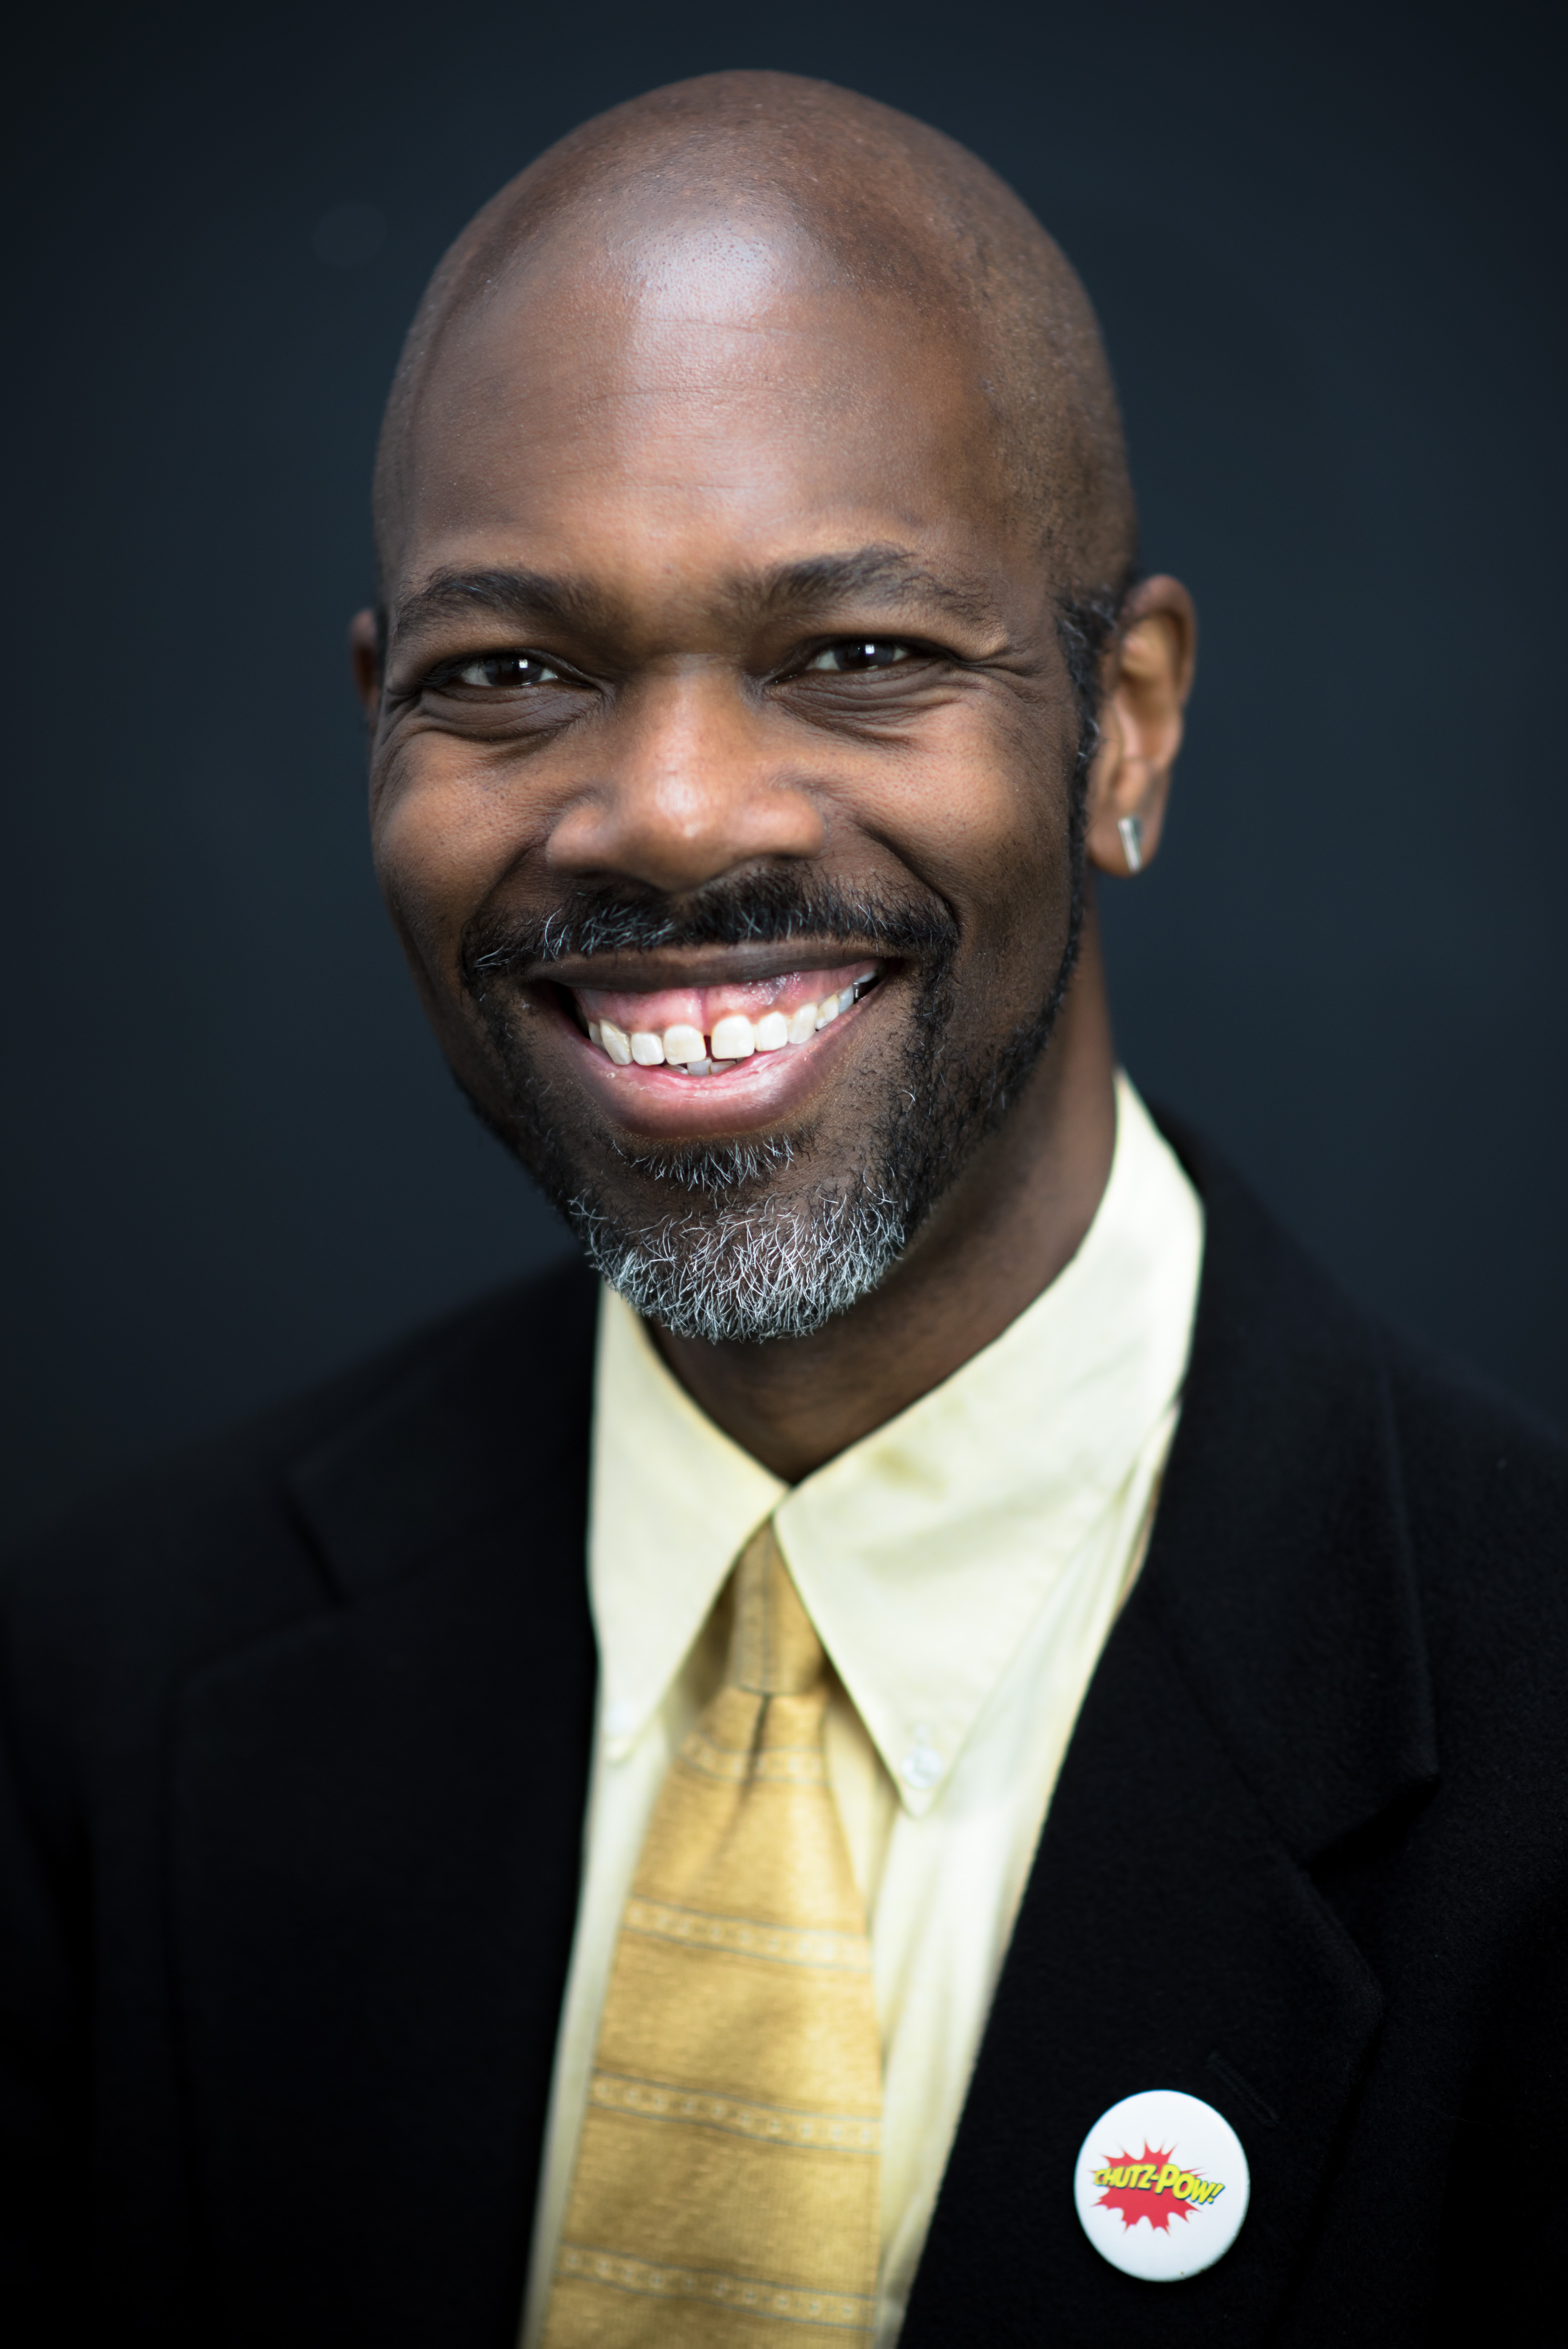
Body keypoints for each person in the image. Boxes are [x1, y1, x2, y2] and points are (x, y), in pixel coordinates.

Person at [1, 69, 1563, 2349]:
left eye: (856, 654)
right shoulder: (101, 1707)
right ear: (373, 730)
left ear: (1124, 724)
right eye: (507, 674)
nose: (665, 810)